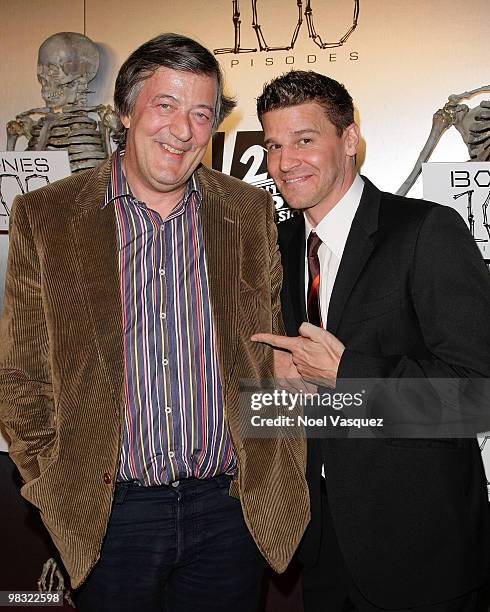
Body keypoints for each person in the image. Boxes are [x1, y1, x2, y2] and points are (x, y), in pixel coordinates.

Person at [0, 34, 309, 612]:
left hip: (230, 510)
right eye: (165, 105)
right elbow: (21, 375)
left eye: (202, 113)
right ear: (125, 110)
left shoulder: (247, 211)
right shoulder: (48, 215)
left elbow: (267, 352)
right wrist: (52, 485)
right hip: (108, 516)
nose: (184, 129)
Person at [252, 70, 490, 611]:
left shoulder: (426, 230)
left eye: (305, 140)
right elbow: (289, 401)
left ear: (350, 141)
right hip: (320, 542)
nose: (286, 162)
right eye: (274, 145)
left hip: (421, 549)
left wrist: (349, 375)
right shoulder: (275, 245)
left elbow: (478, 394)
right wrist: (274, 394)